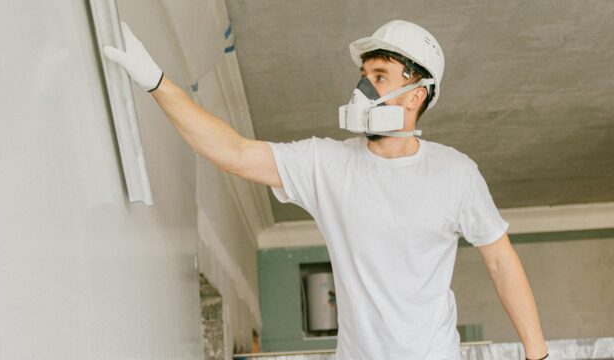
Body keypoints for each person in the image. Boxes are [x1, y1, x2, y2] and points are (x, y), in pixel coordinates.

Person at [104, 19, 549, 360]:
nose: (361, 87)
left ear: (416, 94)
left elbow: (499, 259)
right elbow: (235, 152)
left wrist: (538, 355)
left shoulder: (455, 174)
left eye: (379, 76)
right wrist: (155, 81)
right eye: (363, 74)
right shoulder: (328, 164)